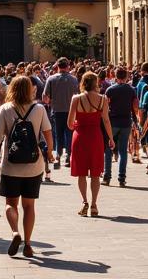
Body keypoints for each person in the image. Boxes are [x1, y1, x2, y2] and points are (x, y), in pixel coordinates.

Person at [0, 76, 54, 258]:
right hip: (34, 164)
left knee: (10, 203)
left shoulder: (5, 108)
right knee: (29, 206)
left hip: (11, 163)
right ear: (29, 90)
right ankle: (28, 243)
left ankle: (14, 232)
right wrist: (50, 153)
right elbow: (47, 132)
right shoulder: (39, 108)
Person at [68, 72, 115, 217]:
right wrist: (111, 138)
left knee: (81, 173)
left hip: (80, 136)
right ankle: (94, 204)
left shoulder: (76, 98)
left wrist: (77, 124)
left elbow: (69, 124)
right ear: (96, 83)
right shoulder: (102, 99)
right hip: (96, 137)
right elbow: (106, 120)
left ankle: (84, 202)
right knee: (95, 173)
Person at [103, 67, 138, 187]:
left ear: (115, 76)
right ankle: (121, 178)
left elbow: (105, 107)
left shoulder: (110, 90)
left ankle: (107, 177)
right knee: (123, 151)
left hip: (112, 122)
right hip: (126, 122)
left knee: (108, 150)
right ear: (126, 76)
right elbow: (136, 106)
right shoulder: (132, 90)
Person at [45, 59, 79, 168]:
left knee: (58, 135)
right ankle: (69, 156)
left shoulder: (51, 79)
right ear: (68, 66)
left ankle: (58, 156)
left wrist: (51, 101)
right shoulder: (74, 80)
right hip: (70, 111)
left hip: (57, 110)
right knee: (69, 134)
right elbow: (78, 96)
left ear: (57, 67)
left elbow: (45, 98)